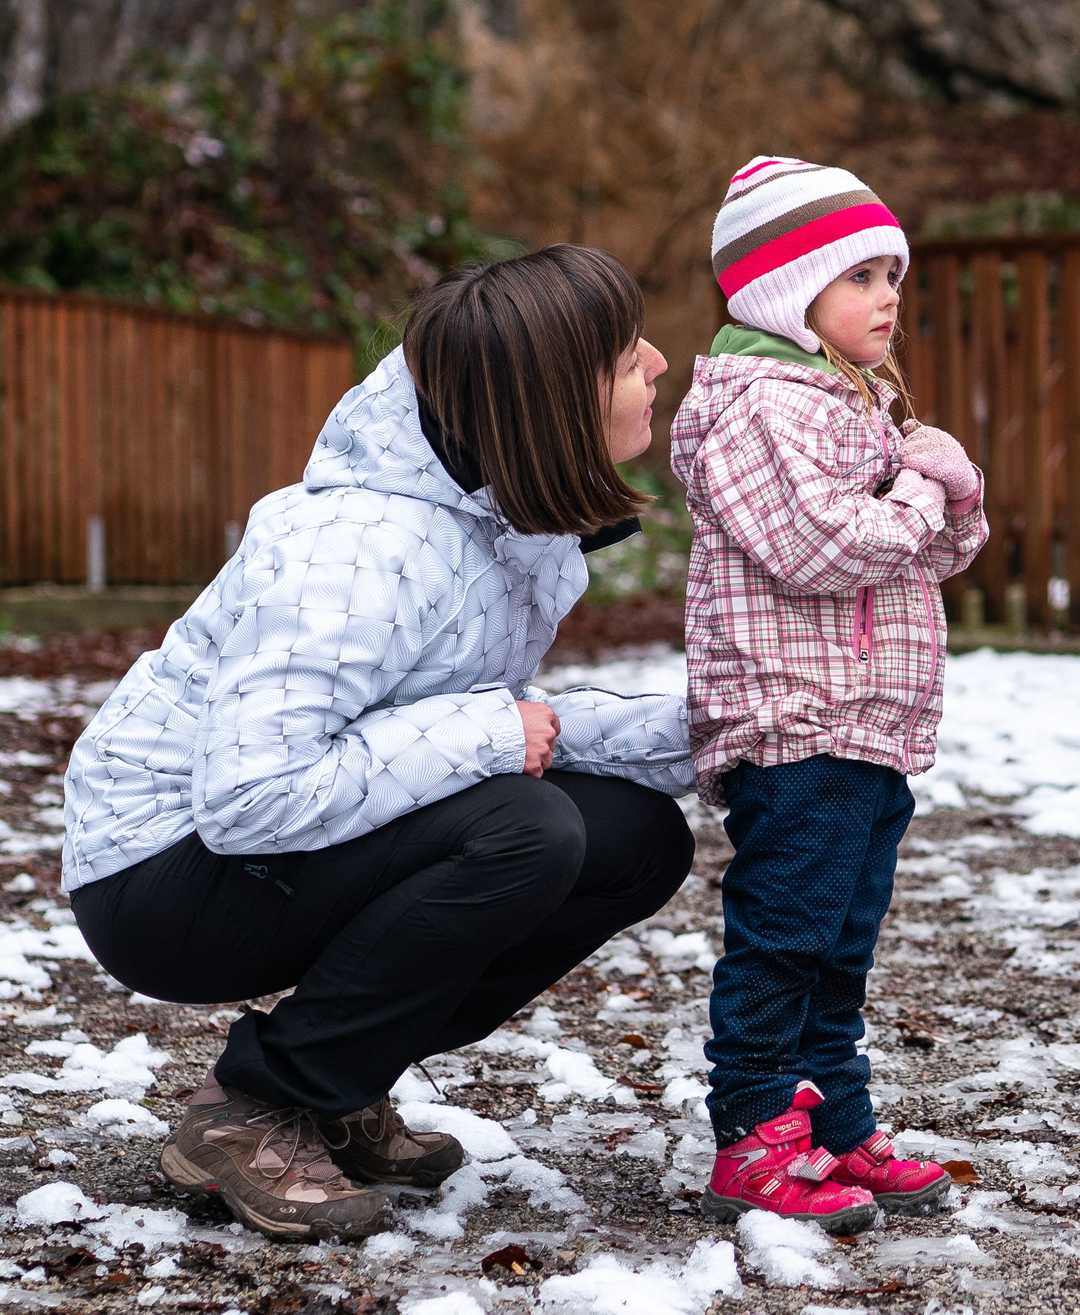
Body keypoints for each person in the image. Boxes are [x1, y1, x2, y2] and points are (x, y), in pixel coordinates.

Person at [63, 244, 696, 1242]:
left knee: (636, 837)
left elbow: (471, 729)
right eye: (627, 357)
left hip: (268, 841)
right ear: (550, 401)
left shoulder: (491, 519)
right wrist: (493, 729)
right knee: (525, 830)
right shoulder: (357, 546)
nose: (658, 362)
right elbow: (251, 797)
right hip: (159, 874)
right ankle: (261, 1107)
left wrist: (714, 728)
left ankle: (338, 1081)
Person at [670, 156, 988, 1234]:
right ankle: (755, 1131)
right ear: (781, 292)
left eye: (892, 273)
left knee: (841, 944)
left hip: (868, 725)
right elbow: (823, 546)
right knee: (786, 935)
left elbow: (929, 554)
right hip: (795, 719)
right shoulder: (760, 404)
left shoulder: (855, 397)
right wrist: (920, 487)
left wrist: (952, 489)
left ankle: (834, 1119)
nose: (887, 295)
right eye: (858, 275)